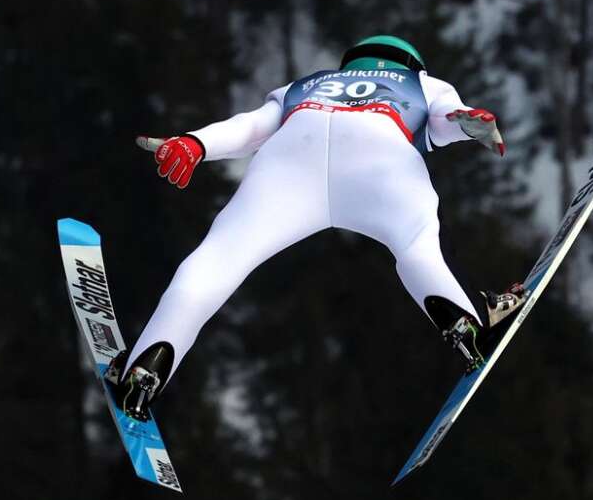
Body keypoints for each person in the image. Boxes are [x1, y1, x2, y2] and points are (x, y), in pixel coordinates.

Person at [109, 34, 523, 420]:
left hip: (291, 158)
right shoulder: (423, 83)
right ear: (414, 64)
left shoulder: (308, 83)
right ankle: (466, 324)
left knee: (218, 260)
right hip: (379, 154)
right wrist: (470, 122)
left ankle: (145, 369)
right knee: (416, 246)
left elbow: (250, 128)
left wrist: (193, 143)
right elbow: (446, 124)